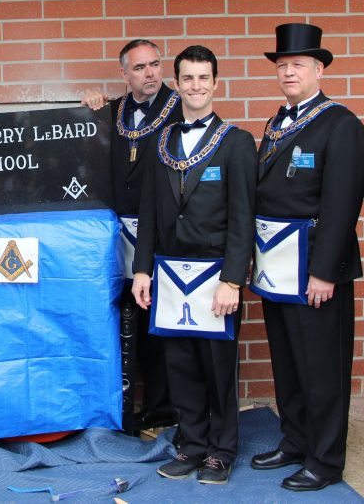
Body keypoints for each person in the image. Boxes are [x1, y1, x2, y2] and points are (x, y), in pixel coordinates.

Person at [248, 24, 364, 492]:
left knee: (322, 368)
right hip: (276, 266)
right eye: (281, 66)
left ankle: (325, 458)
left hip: (314, 267)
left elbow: (342, 205)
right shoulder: (279, 121)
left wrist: (323, 272)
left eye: (297, 64)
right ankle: (295, 440)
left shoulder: (341, 124)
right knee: (289, 362)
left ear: (319, 69)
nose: (288, 72)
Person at [131, 45, 256, 485]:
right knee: (180, 365)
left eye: (204, 78)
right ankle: (192, 444)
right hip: (169, 273)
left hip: (214, 275)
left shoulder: (237, 143)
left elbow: (244, 217)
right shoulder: (160, 141)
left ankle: (222, 450)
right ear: (177, 82)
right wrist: (142, 269)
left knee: (218, 367)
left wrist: (233, 280)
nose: (196, 86)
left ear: (215, 83)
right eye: (188, 78)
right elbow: (148, 211)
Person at [81, 39, 183, 432]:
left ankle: (163, 406)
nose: (151, 73)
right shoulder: (111, 111)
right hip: (118, 236)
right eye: (140, 68)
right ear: (124, 74)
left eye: (156, 65)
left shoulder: (180, 109)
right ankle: (124, 404)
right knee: (124, 319)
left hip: (161, 233)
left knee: (158, 320)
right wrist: (88, 105)